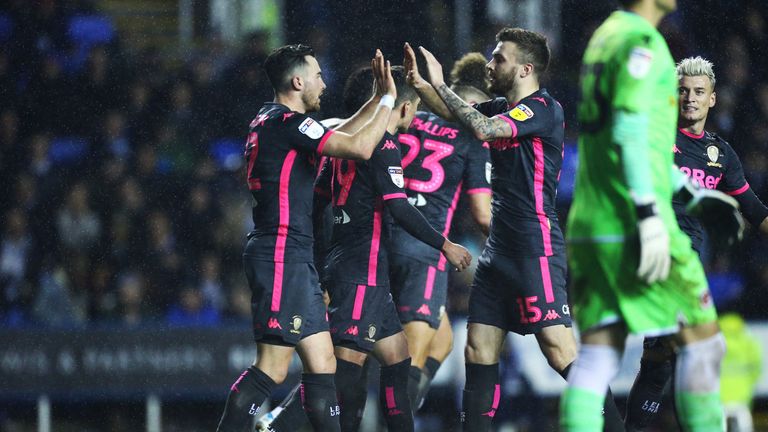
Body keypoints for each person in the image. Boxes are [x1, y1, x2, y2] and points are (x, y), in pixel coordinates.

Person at [408, 29, 623, 431]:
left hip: (534, 249)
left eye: (498, 58)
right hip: (498, 253)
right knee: (478, 350)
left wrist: (439, 83)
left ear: (525, 68)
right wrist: (422, 85)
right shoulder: (501, 106)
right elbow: (454, 112)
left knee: (560, 352)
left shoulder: (542, 108)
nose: (489, 65)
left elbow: (483, 129)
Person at [561, 1, 744, 430]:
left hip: (592, 220)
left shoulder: (604, 37)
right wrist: (649, 215)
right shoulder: (643, 43)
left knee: (597, 357)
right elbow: (629, 133)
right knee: (704, 346)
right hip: (637, 219)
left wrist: (694, 198)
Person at [262, 66, 472, 432]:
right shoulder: (384, 143)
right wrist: (446, 245)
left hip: (359, 265)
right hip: (363, 268)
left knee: (397, 359)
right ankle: (280, 425)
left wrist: (321, 258)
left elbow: (319, 200)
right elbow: (400, 206)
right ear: (404, 108)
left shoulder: (346, 142)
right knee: (343, 372)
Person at [215, 44, 399, 432]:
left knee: (323, 363)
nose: (323, 83)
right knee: (272, 367)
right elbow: (361, 146)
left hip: (290, 253)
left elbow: (343, 128)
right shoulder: (287, 124)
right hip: (281, 252)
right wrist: (387, 100)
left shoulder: (272, 121)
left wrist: (377, 100)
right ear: (298, 81)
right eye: (317, 75)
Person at [624, 56, 768, 431]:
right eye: (683, 91)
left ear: (713, 99)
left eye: (698, 92)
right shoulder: (656, 136)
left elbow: (753, 209)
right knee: (700, 348)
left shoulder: (719, 155)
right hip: (655, 250)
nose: (690, 98)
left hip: (687, 260)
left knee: (661, 357)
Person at [391, 51, 492, 412]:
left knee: (443, 340)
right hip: (425, 247)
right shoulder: (474, 137)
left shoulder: (412, 115)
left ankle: (283, 416)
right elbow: (482, 214)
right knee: (409, 361)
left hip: (380, 236)